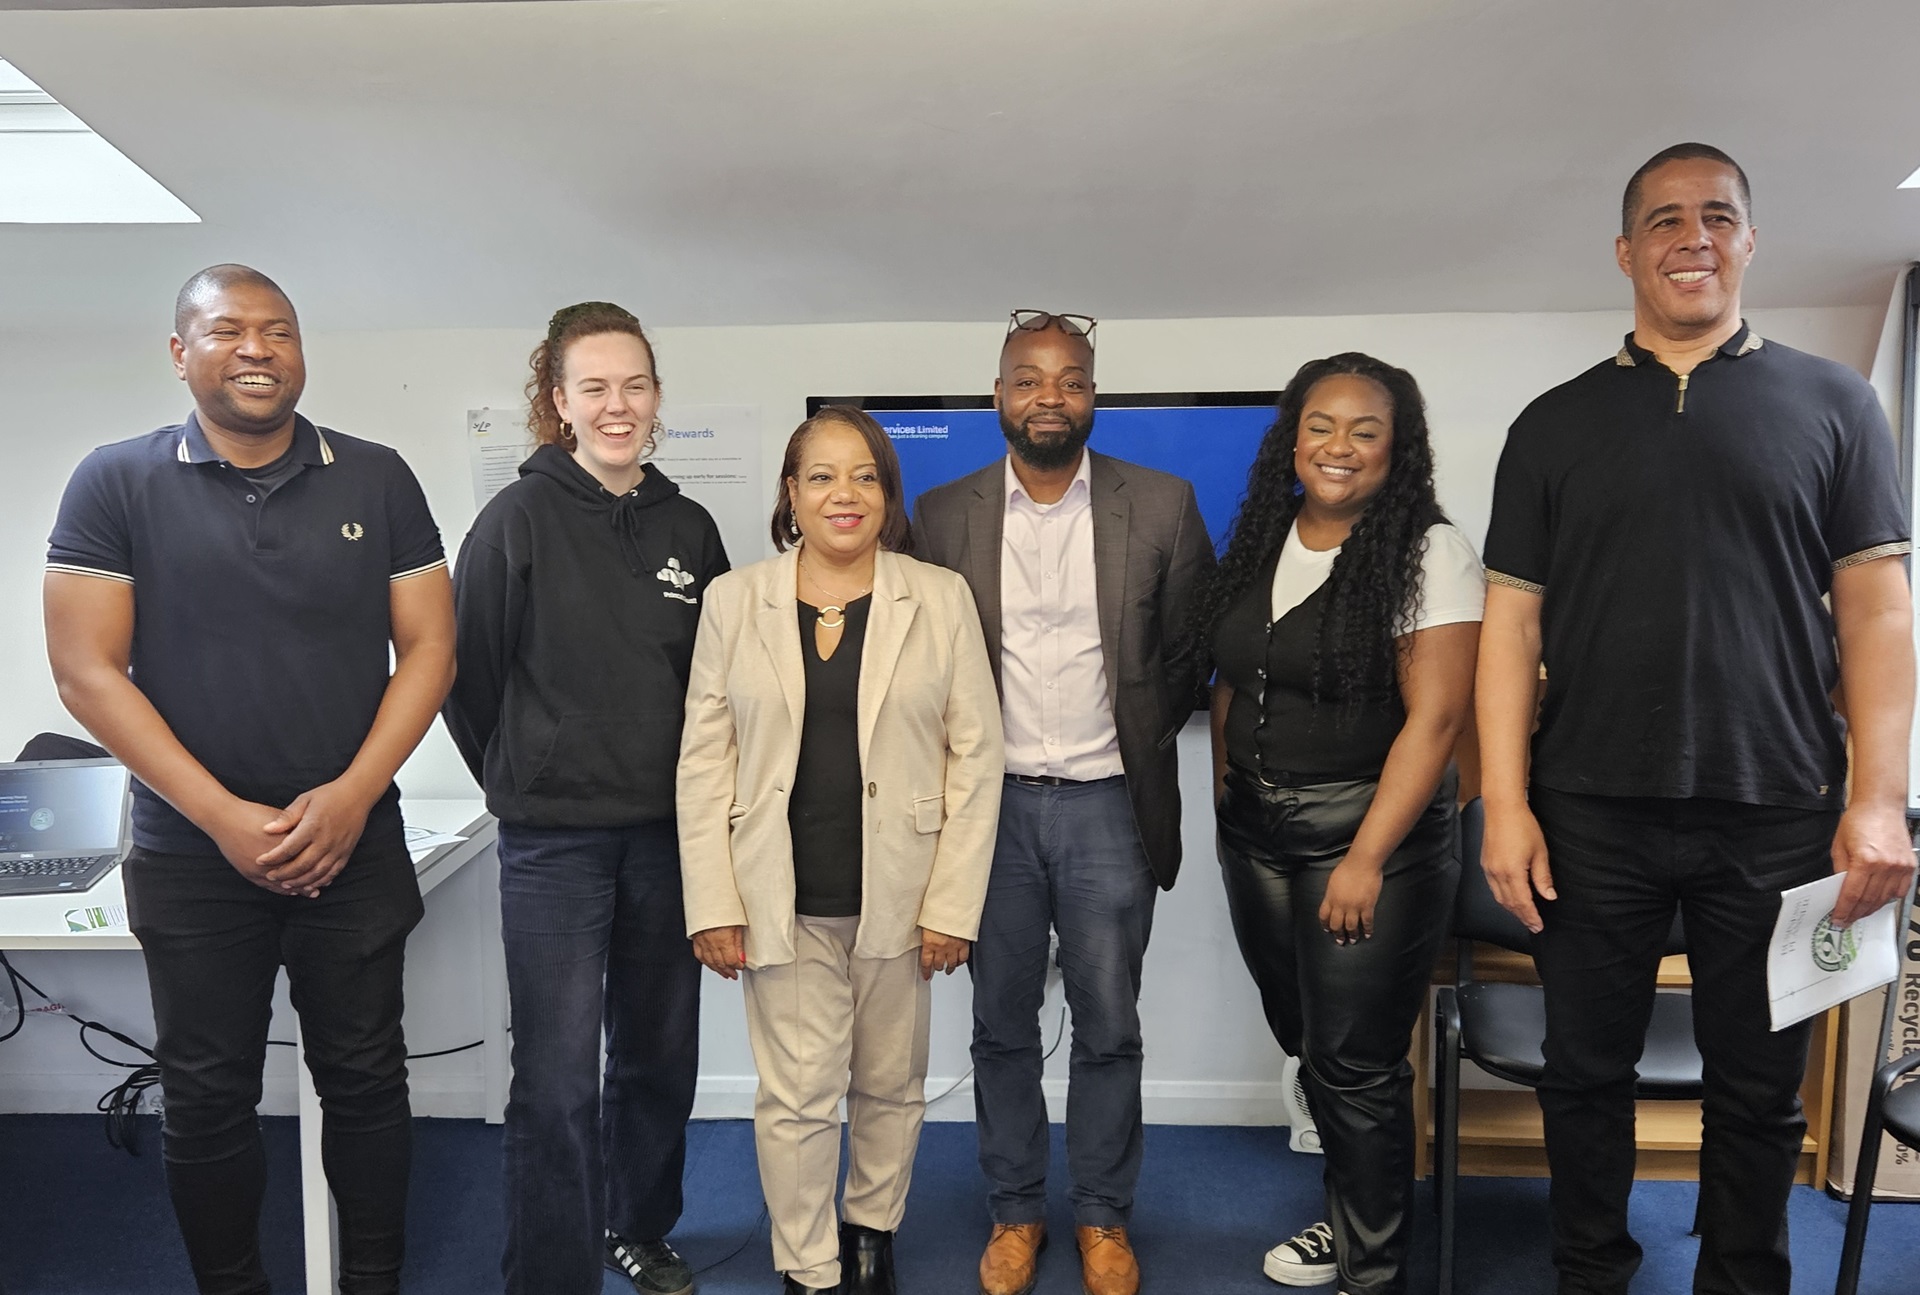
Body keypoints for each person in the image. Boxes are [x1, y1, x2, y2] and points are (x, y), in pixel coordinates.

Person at [1478, 143, 1916, 1295]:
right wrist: (1506, 805)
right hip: (1586, 815)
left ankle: (1743, 1279)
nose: (1694, 237)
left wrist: (1877, 798)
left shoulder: (1836, 404)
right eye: (1666, 219)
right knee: (1583, 1075)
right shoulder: (1552, 424)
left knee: (1759, 1092)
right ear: (1627, 251)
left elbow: (1878, 611)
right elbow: (1510, 629)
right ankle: (1591, 1273)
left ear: (1750, 240)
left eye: (1718, 215)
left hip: (1780, 813)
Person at [42, 264, 456, 1295]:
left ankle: (372, 1282)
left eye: (279, 329)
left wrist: (353, 795)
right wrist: (223, 816)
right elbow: (86, 671)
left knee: (366, 1078)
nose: (258, 348)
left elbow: (432, 648)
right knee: (206, 1093)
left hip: (353, 840)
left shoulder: (378, 477)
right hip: (191, 851)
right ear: (180, 352)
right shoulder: (114, 481)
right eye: (228, 329)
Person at [913, 311, 1215, 1295]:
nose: (1050, 396)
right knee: (1000, 1024)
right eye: (1029, 379)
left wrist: (1131, 734)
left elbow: (1188, 653)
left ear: (1093, 395)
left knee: (1109, 1026)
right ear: (998, 394)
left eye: (1071, 379)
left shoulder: (1162, 504)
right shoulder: (941, 511)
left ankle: (1101, 1216)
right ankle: (1015, 1211)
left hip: (1109, 809)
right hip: (987, 811)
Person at [677, 406, 1003, 1295]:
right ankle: (809, 1262)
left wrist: (953, 904)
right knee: (796, 1095)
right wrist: (712, 900)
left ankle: (869, 1232)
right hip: (777, 892)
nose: (843, 494)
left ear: (888, 494)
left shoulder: (938, 597)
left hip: (903, 891)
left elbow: (977, 756)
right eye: (821, 476)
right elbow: (704, 761)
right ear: (791, 493)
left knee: (891, 1084)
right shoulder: (734, 601)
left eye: (864, 475)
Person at [442, 302, 727, 1295]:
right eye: (594, 387)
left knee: (658, 1058)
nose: (617, 405)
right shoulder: (513, 522)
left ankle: (637, 1226)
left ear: (655, 397)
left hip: (669, 841)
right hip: (553, 847)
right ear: (558, 402)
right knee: (557, 1079)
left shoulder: (690, 527)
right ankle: (551, 1273)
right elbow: (468, 680)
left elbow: (717, 686)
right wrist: (529, 771)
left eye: (634, 385)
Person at [1196, 354, 1481, 1295]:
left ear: (1399, 449)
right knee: (1308, 1038)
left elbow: (1437, 720)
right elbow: (1235, 677)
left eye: (1366, 430)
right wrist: (1226, 797)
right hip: (1257, 835)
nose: (1340, 446)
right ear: (1292, 439)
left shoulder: (1428, 552)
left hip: (1369, 840)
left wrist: (1365, 858)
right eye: (1321, 425)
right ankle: (1351, 1212)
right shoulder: (1265, 537)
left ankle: (1373, 1267)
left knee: (1356, 1060)